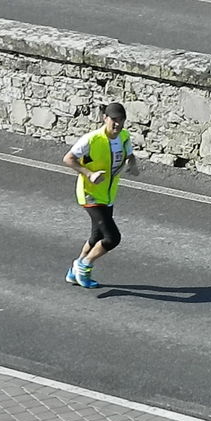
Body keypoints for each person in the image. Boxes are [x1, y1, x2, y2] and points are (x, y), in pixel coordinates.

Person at [62, 102, 139, 288]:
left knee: (96, 237)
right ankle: (84, 265)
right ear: (105, 118)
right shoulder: (92, 139)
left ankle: (74, 271)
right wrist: (89, 174)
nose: (118, 124)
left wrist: (132, 164)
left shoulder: (124, 137)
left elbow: (130, 155)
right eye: (114, 120)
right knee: (112, 238)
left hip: (108, 195)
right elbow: (68, 159)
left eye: (121, 120)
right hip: (90, 194)